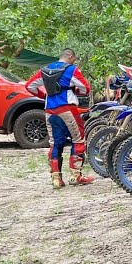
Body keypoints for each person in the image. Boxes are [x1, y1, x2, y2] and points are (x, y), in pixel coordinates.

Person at [25, 49, 95, 188]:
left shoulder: (45, 70)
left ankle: (56, 178)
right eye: (74, 58)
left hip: (50, 111)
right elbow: (85, 89)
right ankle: (77, 176)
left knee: (55, 143)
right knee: (78, 140)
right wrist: (75, 91)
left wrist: (43, 96)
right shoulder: (72, 70)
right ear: (70, 56)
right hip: (68, 109)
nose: (74, 61)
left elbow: (30, 86)